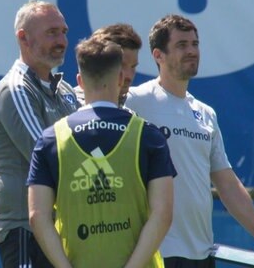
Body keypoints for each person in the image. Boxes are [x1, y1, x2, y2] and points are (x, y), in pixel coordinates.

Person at [125, 14, 254, 268]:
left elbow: (227, 184)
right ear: (158, 55)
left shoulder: (206, 113)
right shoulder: (135, 101)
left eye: (195, 44)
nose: (192, 51)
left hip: (202, 252)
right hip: (156, 253)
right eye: (181, 45)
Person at [28, 38, 175, 268]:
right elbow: (163, 213)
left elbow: (38, 216)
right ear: (119, 78)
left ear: (80, 81)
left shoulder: (50, 139)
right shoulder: (148, 136)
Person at [0, 0, 79, 267]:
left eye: (64, 32)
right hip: (24, 229)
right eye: (52, 32)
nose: (62, 40)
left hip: (62, 228)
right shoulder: (14, 89)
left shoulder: (65, 92)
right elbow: (48, 155)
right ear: (23, 38)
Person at [74, 23, 141, 107]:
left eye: (133, 66)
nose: (129, 76)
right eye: (121, 65)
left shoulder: (133, 107)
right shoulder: (71, 106)